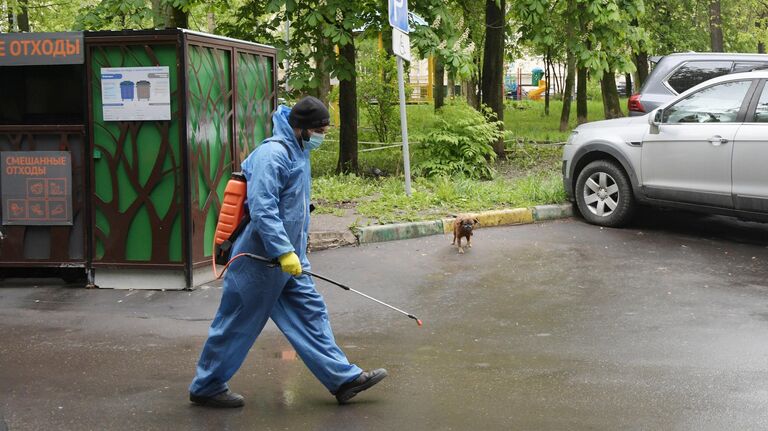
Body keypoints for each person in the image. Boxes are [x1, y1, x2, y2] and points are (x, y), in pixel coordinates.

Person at [189, 96, 387, 408]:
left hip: (289, 261)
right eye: (320, 130)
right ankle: (207, 385)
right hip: (258, 260)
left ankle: (342, 378)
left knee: (311, 315)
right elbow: (263, 209)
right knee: (237, 323)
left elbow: (293, 208)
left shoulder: (298, 150)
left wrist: (295, 254)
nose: (323, 135)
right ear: (303, 128)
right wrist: (283, 251)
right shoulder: (273, 154)